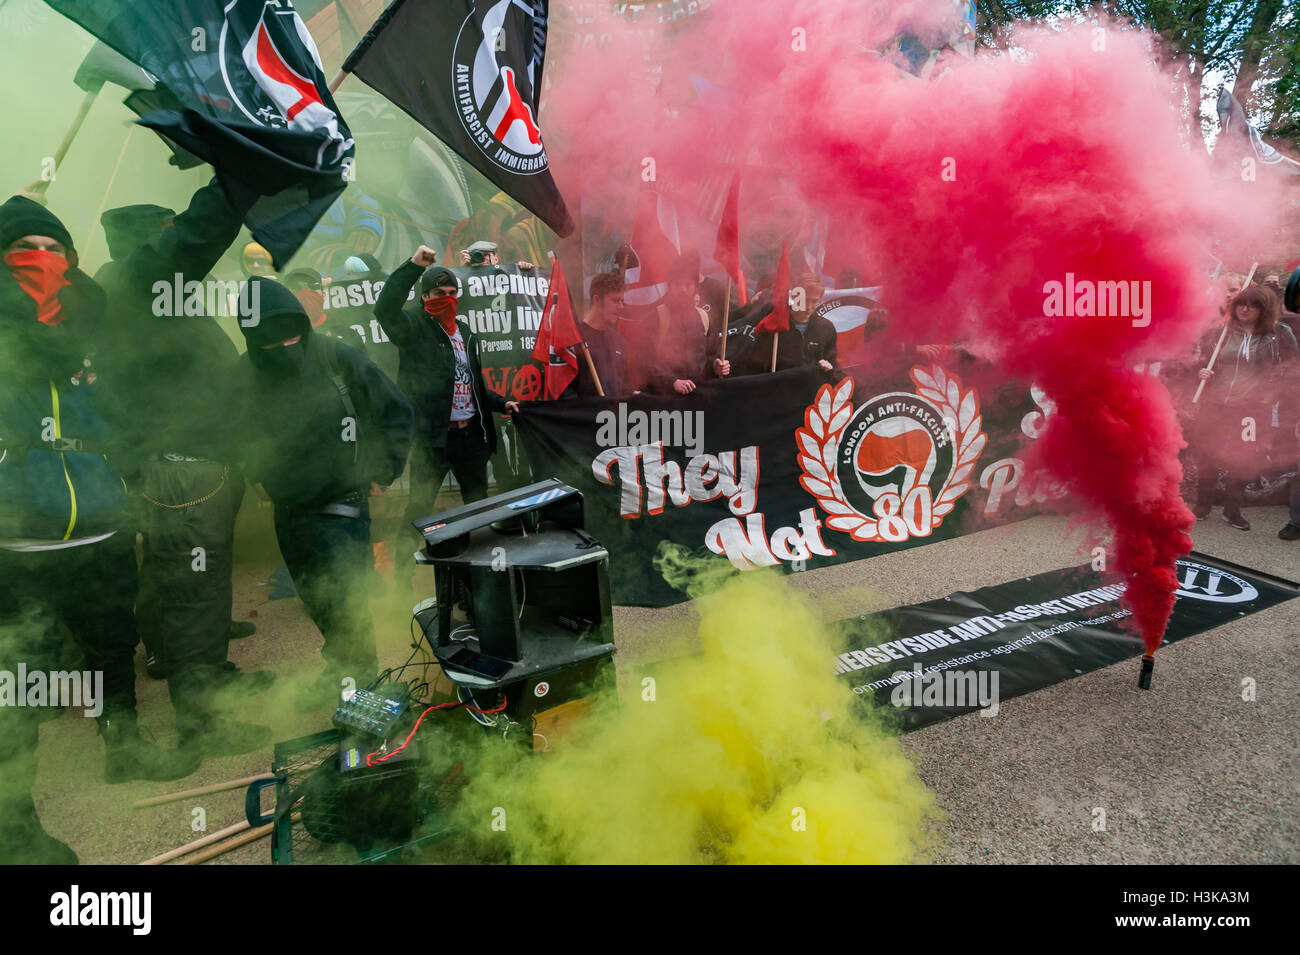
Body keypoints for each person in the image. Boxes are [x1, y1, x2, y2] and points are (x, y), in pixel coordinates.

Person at [0, 195, 201, 863]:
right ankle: (13, 824)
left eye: (56, 247)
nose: (44, 259)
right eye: (26, 247)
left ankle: (124, 746)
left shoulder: (93, 323)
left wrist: (130, 461)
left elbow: (123, 401)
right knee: (20, 681)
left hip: (102, 527)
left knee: (114, 644)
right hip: (18, 540)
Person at [95, 183, 275, 756]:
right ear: (147, 242)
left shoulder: (141, 291)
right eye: (165, 230)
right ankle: (202, 724)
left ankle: (203, 676)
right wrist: (237, 169)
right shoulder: (134, 280)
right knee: (193, 592)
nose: (176, 238)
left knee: (187, 583)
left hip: (188, 466)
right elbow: (198, 233)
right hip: (183, 469)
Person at [239, 277, 413, 706]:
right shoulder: (245, 370)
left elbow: (396, 410)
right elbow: (233, 427)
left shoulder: (338, 356)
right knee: (316, 599)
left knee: (346, 605)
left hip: (344, 504)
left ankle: (361, 691)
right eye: (270, 342)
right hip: (288, 508)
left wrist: (383, 471)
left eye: (292, 335)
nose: (284, 348)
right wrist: (255, 473)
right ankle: (340, 669)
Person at [373, 246, 520, 538]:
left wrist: (502, 403)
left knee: (477, 508)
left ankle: (476, 568)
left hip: (472, 438)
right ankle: (403, 570)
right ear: (425, 296)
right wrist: (414, 266)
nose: (448, 299)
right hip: (432, 440)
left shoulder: (465, 332)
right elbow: (385, 309)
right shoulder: (413, 327)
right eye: (440, 294)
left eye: (453, 293)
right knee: (419, 508)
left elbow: (471, 383)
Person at [1191, 285, 1298, 530]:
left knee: (1241, 458)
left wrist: (1272, 393)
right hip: (1215, 404)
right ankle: (1203, 504)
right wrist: (1201, 372)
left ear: (1264, 308)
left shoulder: (1278, 334)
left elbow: (1292, 369)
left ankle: (1232, 509)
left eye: (1252, 305)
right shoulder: (1222, 333)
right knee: (1208, 454)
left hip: (1251, 407)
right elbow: (1200, 361)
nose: (1245, 309)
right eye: (1240, 304)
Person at [643, 252, 731, 394]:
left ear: (695, 287)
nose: (683, 289)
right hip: (665, 402)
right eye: (678, 284)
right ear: (670, 286)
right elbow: (644, 361)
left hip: (700, 397)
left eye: (688, 285)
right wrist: (672, 382)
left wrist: (717, 365)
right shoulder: (657, 317)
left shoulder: (704, 317)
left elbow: (709, 355)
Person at [740, 271, 838, 375]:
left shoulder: (827, 328)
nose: (809, 307)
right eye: (804, 300)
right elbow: (755, 364)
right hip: (778, 387)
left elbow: (833, 364)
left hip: (811, 388)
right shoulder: (773, 324)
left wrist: (828, 366)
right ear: (795, 296)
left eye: (814, 301)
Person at [568, 271, 629, 398]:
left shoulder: (619, 341)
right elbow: (564, 392)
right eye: (615, 300)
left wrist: (636, 395)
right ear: (596, 299)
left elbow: (623, 386)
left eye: (622, 301)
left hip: (613, 417)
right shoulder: (573, 337)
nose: (621, 306)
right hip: (585, 416)